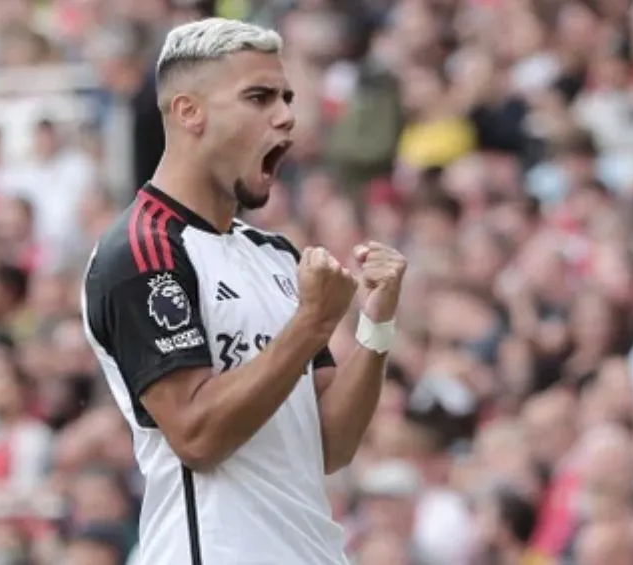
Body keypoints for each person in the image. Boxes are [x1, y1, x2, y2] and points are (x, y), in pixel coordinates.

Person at [80, 18, 407, 565]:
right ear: (190, 113)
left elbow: (330, 444)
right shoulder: (143, 251)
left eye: (285, 97)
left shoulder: (275, 253)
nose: (285, 116)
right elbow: (198, 436)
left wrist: (375, 327)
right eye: (258, 97)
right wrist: (310, 325)